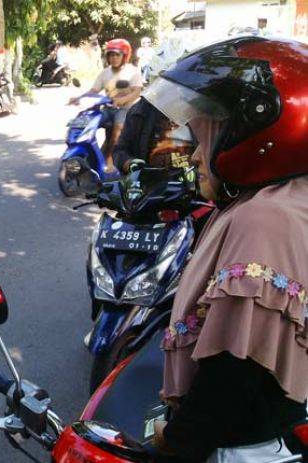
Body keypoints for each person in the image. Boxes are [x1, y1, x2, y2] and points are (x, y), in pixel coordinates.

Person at [143, 37, 308, 462]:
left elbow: (233, 374)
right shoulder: (276, 200)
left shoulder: (266, 220)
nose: (196, 154)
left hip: (234, 450)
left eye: (210, 135)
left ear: (261, 132)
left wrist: (174, 443)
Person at [70, 39, 143, 173]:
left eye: (117, 55)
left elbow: (136, 93)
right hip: (108, 107)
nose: (113, 58)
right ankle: (89, 155)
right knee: (86, 122)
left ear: (124, 55)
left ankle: (110, 159)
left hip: (125, 109)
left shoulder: (133, 72)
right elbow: (94, 90)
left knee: (117, 130)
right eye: (111, 55)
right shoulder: (105, 72)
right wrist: (79, 98)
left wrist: (122, 100)